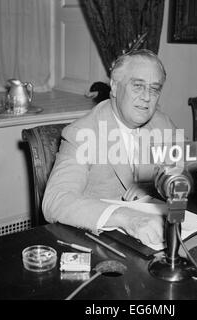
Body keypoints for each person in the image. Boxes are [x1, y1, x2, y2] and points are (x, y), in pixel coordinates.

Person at [42, 49, 180, 246]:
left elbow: (184, 173)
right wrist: (128, 217)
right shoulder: (82, 132)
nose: (147, 97)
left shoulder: (162, 123)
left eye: (154, 89)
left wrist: (151, 191)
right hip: (99, 245)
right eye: (138, 86)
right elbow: (55, 201)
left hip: (156, 243)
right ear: (114, 87)